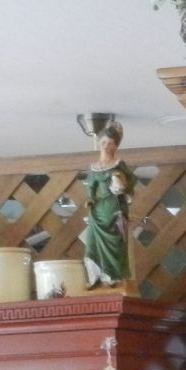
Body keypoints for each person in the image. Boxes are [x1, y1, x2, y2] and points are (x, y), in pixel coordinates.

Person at [81, 121, 134, 287]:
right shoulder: (94, 167)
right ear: (99, 143)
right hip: (98, 211)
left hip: (114, 208)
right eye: (103, 142)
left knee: (115, 244)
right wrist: (90, 199)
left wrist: (121, 182)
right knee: (92, 243)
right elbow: (91, 186)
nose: (106, 146)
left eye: (110, 143)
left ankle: (113, 276)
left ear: (115, 146)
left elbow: (130, 182)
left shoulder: (119, 165)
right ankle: (96, 276)